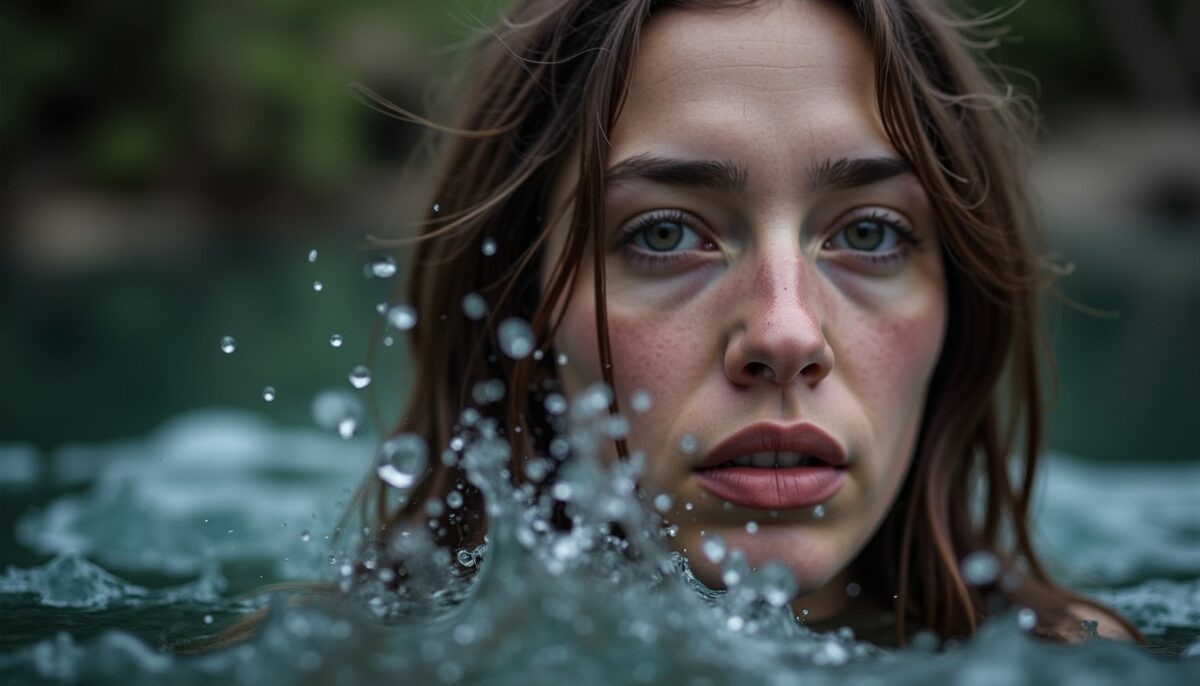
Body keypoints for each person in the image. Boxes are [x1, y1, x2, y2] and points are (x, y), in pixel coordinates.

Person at [355, 0, 1141, 647]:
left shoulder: (1081, 661)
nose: (786, 334)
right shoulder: (353, 661)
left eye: (869, 234)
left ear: (961, 311)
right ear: (520, 311)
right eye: (663, 234)